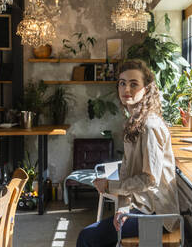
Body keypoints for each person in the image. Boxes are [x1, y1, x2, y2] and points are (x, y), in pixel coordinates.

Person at [76, 59, 180, 247]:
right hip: (141, 207)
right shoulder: (134, 122)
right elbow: (127, 173)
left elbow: (150, 180)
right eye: (122, 83)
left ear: (146, 89)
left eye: (134, 84)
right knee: (97, 235)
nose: (126, 89)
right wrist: (123, 208)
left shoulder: (149, 125)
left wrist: (110, 186)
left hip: (158, 215)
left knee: (87, 238)